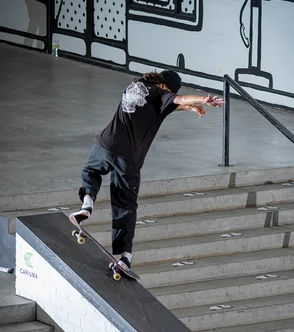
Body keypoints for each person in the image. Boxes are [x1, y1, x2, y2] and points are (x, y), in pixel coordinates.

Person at [70, 69, 224, 272]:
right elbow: (177, 99)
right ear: (166, 87)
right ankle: (125, 257)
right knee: (126, 204)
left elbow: (164, 104)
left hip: (106, 145)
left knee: (91, 171)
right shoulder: (162, 94)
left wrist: (190, 108)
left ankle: (87, 204)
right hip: (129, 158)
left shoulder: (135, 85)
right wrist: (203, 99)